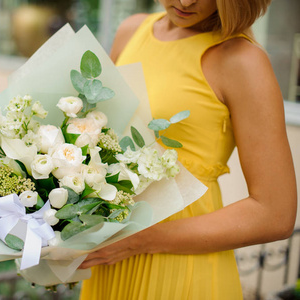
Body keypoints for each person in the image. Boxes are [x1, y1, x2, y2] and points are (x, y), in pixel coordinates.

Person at [78, 0, 297, 299]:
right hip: (111, 251)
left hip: (177, 262)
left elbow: (275, 214)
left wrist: (142, 240)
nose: (184, 1)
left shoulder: (242, 60)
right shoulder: (131, 31)